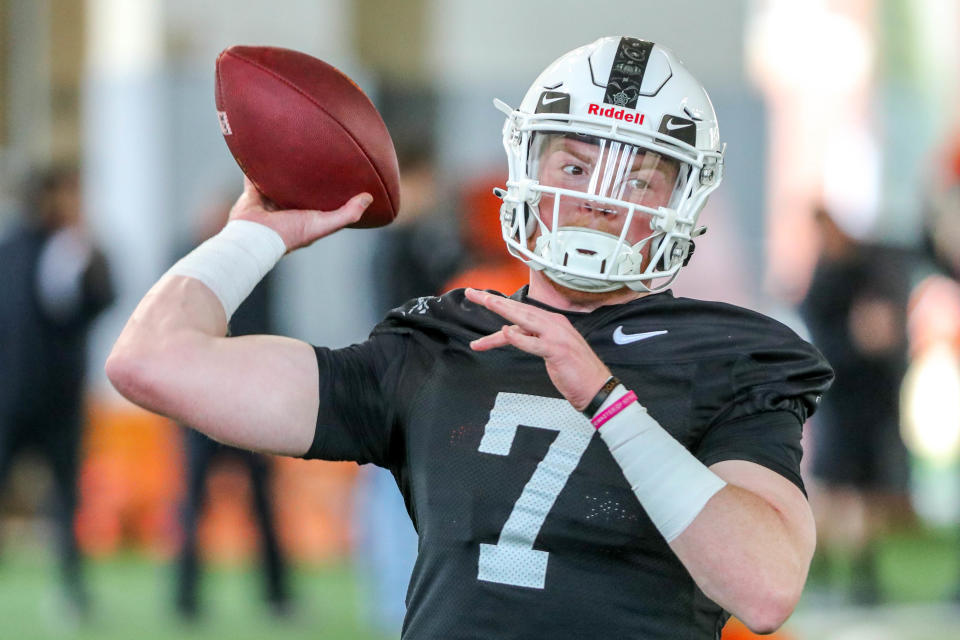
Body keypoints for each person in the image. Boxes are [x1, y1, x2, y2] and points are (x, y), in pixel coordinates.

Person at [106, 37, 833, 638]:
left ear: (684, 200)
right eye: (576, 166)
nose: (599, 200)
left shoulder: (730, 357)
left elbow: (766, 589)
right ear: (527, 171)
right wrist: (252, 238)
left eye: (640, 179)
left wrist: (610, 403)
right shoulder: (437, 345)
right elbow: (152, 361)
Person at [0, 164, 114, 616]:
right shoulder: (9, 250)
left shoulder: (72, 249)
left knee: (67, 498)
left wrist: (90, 255)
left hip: (59, 401)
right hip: (12, 398)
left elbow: (102, 299)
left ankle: (72, 593)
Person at [172, 196, 291, 620]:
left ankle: (277, 594)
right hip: (198, 403)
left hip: (248, 398)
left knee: (262, 500)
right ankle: (184, 599)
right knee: (192, 501)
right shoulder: (186, 264)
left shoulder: (261, 268)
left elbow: (270, 328)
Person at [799, 206, 913, 605]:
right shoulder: (828, 278)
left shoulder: (864, 270)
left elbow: (880, 334)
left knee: (861, 488)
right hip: (840, 395)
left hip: (865, 399)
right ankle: (827, 569)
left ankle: (857, 573)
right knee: (834, 487)